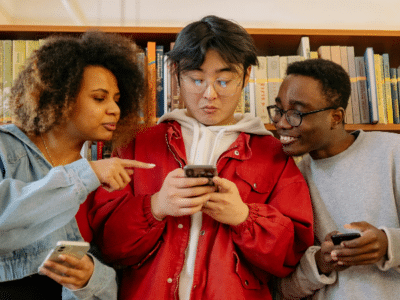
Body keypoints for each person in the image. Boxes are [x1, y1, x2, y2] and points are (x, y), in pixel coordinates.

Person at [86, 15, 314, 300]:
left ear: (246, 77)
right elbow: (107, 245)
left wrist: (244, 217)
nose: (210, 95)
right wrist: (156, 206)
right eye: (196, 79)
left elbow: (291, 255)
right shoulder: (138, 145)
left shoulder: (274, 156)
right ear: (175, 74)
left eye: (223, 80)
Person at [0, 30, 155, 300]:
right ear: (59, 96)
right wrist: (85, 175)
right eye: (99, 98)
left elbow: (109, 277)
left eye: (117, 100)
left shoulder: (102, 177)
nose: (114, 109)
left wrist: (90, 278)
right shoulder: (5, 148)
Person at [268, 58, 400, 299]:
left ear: (336, 117)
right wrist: (320, 263)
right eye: (279, 110)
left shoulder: (393, 152)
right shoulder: (287, 178)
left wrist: (388, 244)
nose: (282, 123)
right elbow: (282, 290)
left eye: (296, 113)